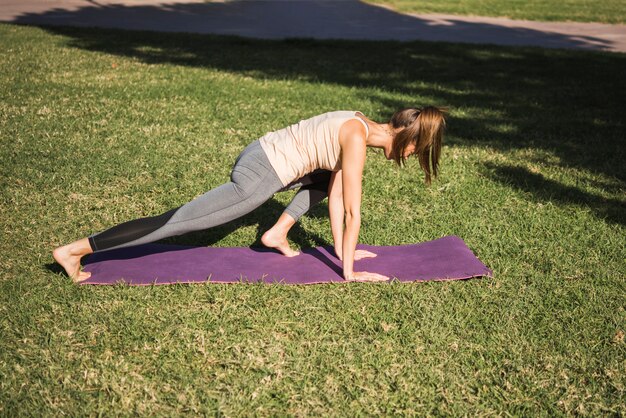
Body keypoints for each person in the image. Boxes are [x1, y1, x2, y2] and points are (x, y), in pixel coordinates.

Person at [53, 107, 445, 283]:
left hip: (266, 155)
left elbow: (336, 195)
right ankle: (75, 250)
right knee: (182, 221)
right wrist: (351, 273)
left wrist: (345, 252)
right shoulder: (357, 139)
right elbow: (353, 213)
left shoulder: (357, 122)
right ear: (406, 134)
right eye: (416, 148)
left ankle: (276, 232)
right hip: (261, 172)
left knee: (325, 181)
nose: (412, 156)